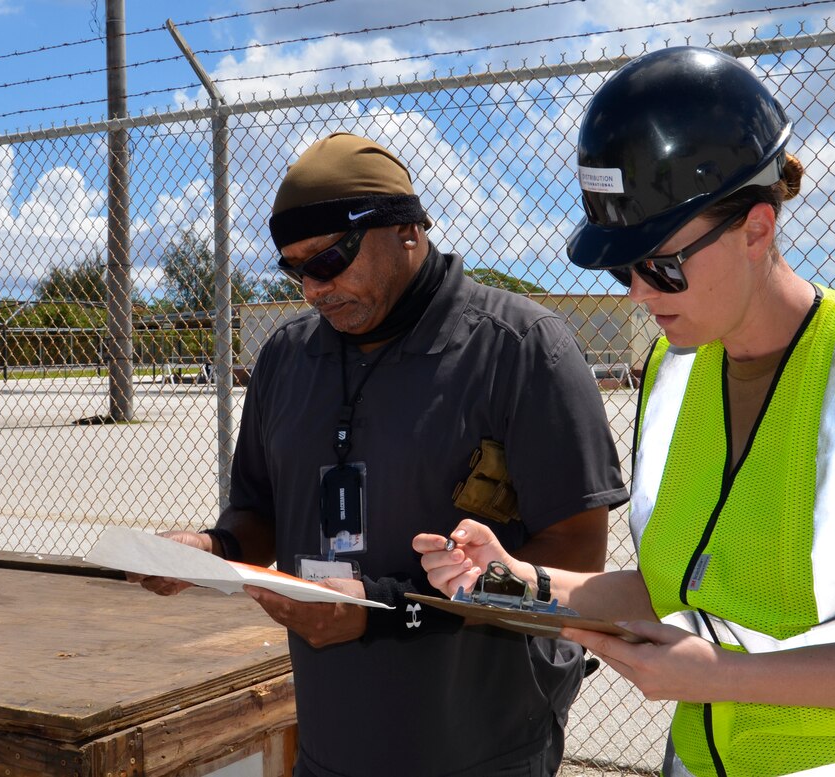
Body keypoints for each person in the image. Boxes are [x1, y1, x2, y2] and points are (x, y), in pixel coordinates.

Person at [416, 47, 835, 776]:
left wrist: (724, 678)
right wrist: (520, 580)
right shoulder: (677, 380)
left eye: (661, 264)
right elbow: (673, 591)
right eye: (621, 266)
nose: (638, 293)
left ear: (757, 228)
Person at [131, 132, 628, 776]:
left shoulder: (520, 349)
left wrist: (385, 611)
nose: (312, 287)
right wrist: (213, 551)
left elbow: (575, 560)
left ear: (407, 232)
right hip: (333, 739)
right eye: (294, 267)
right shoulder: (287, 357)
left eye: (329, 258)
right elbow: (257, 515)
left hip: (478, 746)